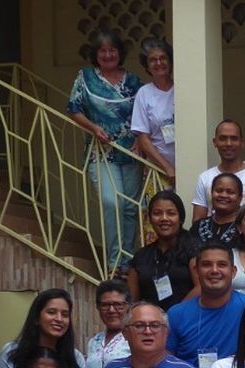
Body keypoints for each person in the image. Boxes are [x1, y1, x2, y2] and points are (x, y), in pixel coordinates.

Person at [67, 29, 142, 273]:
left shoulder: (132, 81)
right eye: (103, 51)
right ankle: (114, 261)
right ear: (95, 54)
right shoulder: (86, 77)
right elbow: (74, 109)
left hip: (131, 153)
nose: (108, 55)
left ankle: (127, 262)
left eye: (112, 50)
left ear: (120, 53)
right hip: (101, 152)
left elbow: (144, 114)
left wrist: (141, 141)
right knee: (112, 203)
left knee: (130, 207)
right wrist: (93, 127)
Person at [127, 190, 198, 309]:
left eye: (171, 213)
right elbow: (131, 301)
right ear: (150, 219)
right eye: (157, 213)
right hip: (149, 324)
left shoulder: (194, 250)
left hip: (186, 321)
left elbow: (202, 288)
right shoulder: (141, 256)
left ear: (180, 218)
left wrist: (174, 315)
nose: (164, 218)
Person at [191, 120, 245, 220]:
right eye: (223, 138)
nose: (228, 143)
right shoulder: (205, 178)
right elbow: (197, 221)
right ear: (215, 142)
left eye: (234, 139)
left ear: (242, 143)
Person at [129, 38, 174, 179]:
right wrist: (167, 168)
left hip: (189, 164)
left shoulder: (182, 87)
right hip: (158, 169)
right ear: (147, 67)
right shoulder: (144, 93)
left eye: (163, 58)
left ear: (170, 62)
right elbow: (143, 138)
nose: (159, 63)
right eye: (153, 60)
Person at [83, 278, 131, 368]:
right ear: (98, 307)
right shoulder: (94, 342)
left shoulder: (135, 338)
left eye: (118, 304)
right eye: (105, 305)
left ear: (128, 306)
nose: (112, 310)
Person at [193, 172, 244, 247]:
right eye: (219, 191)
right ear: (211, 193)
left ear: (240, 197)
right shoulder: (198, 226)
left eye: (230, 192)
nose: (224, 195)